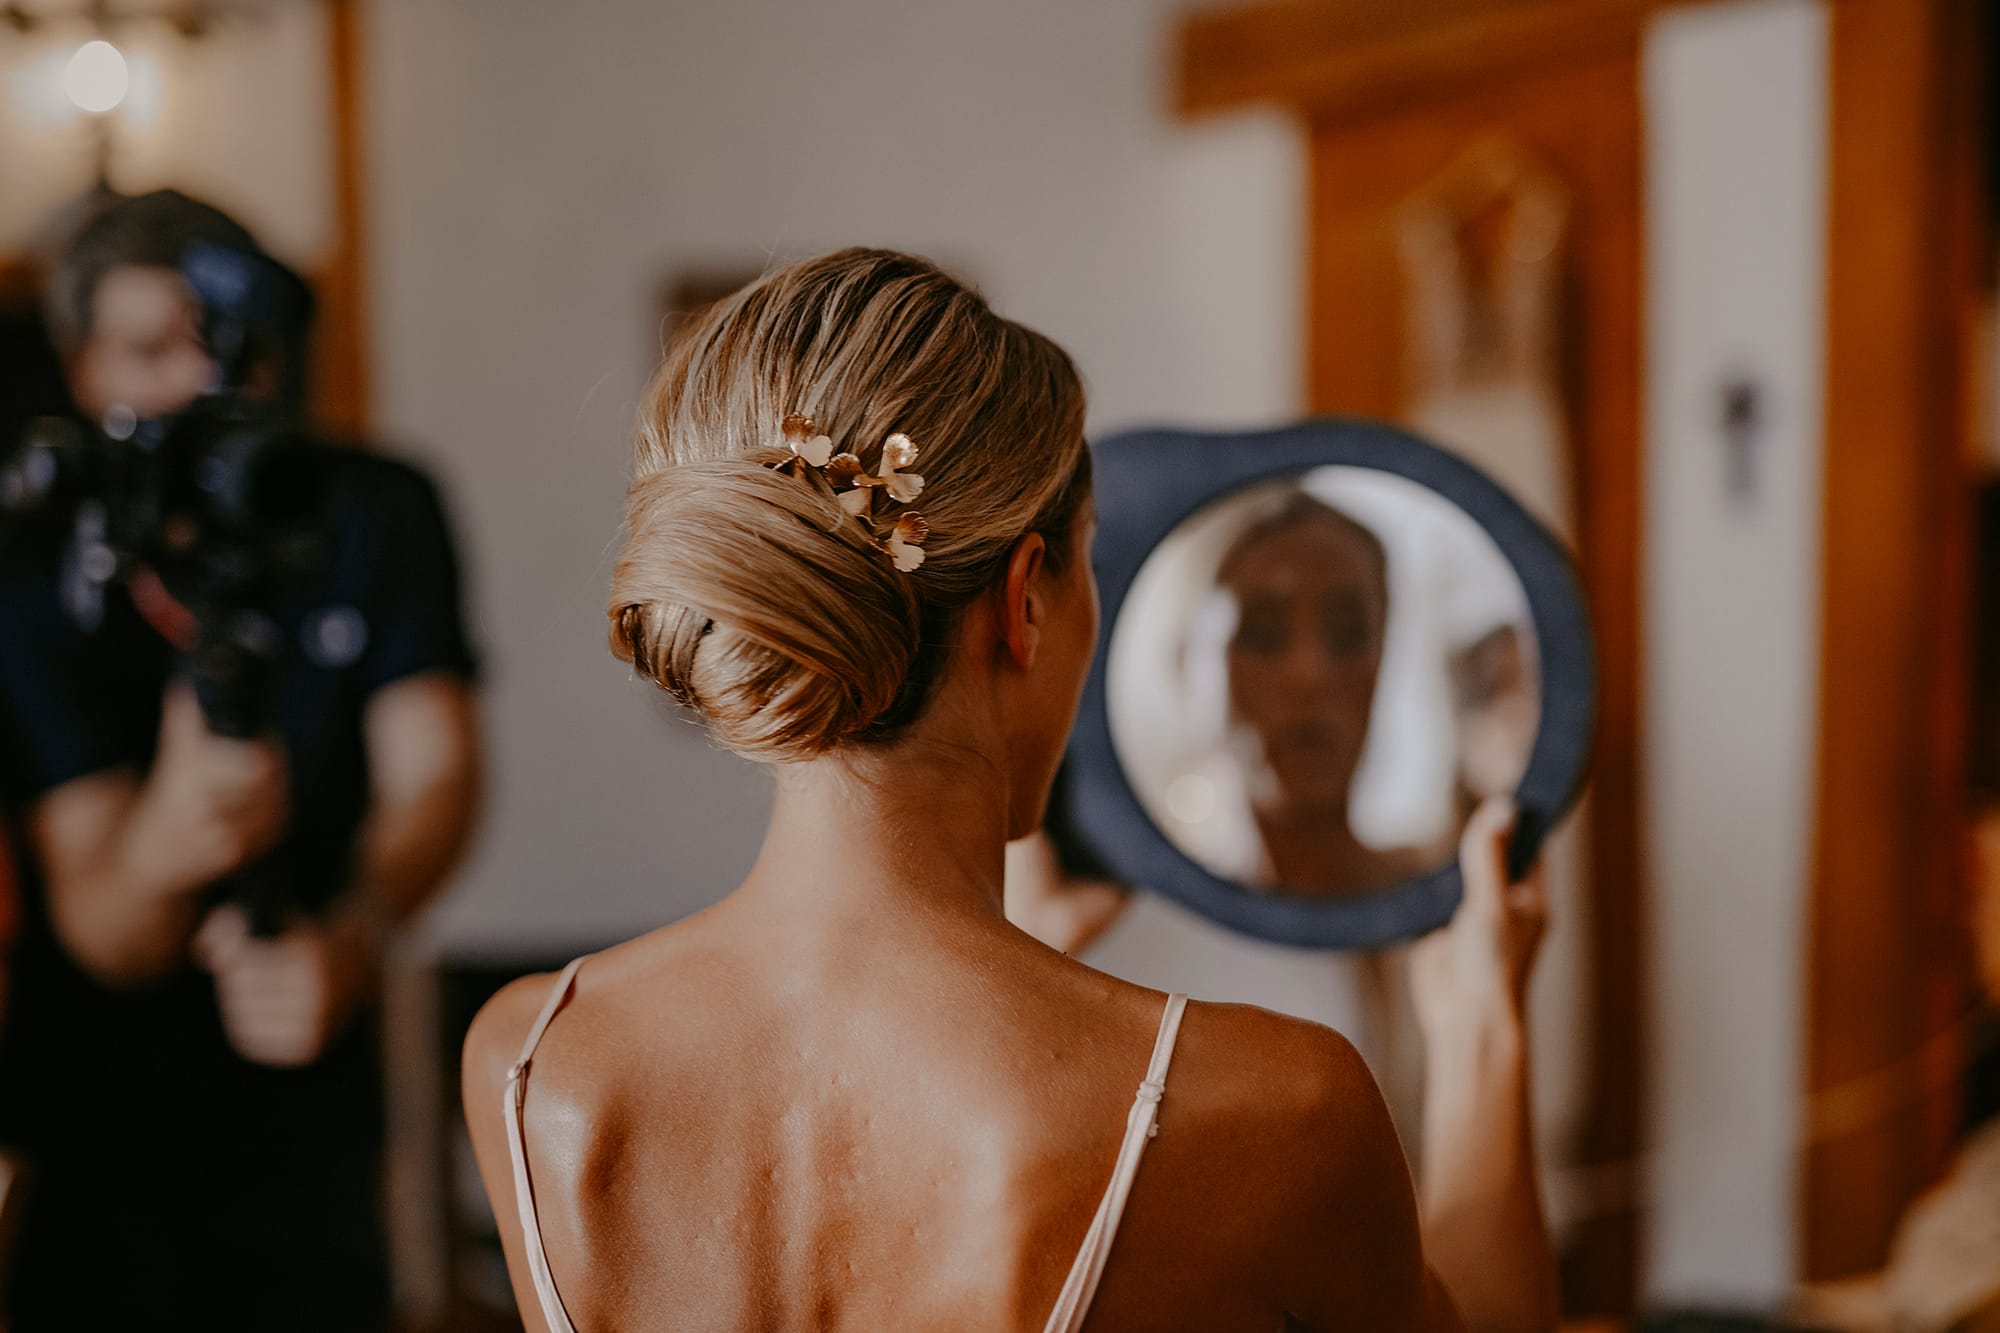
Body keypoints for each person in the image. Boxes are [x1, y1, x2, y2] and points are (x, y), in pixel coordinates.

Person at [463, 249, 1556, 1330]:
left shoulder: (533, 1062)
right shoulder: (1267, 1108)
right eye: (1087, 567)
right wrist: (1478, 1024)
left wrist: (1027, 953)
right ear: (1026, 599)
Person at [0, 190, 482, 1331]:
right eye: (149, 350)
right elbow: (108, 929)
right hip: (94, 1130)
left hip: (318, 1105)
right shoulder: (32, 564)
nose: (198, 386)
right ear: (81, 368)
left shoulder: (372, 508)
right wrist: (176, 829)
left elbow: (439, 777)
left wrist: (354, 936)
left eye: (225, 346)